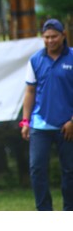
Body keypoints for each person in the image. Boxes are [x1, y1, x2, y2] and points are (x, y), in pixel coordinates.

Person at [20, 18, 73, 211]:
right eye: (46, 37)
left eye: (54, 36)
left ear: (63, 36)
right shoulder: (35, 60)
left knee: (69, 171)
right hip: (40, 124)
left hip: (67, 126)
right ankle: (44, 214)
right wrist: (25, 121)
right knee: (37, 169)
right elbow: (30, 92)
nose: (50, 40)